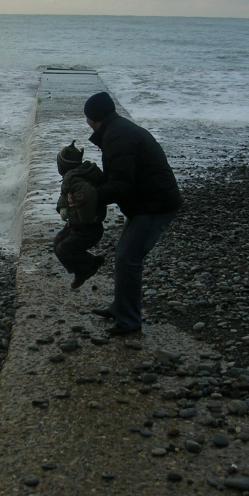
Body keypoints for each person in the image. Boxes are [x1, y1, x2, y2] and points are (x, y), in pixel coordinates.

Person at [80, 91, 182, 336]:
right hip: (147, 202)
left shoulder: (117, 137)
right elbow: (122, 178)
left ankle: (129, 321)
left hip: (155, 205)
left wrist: (89, 195)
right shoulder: (119, 129)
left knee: (128, 259)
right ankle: (120, 308)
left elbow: (121, 186)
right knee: (124, 256)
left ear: (91, 119)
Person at [53, 140, 107, 290]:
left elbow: (88, 196)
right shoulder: (72, 179)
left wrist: (83, 217)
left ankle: (83, 271)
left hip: (88, 229)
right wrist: (62, 207)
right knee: (56, 243)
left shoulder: (77, 180)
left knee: (63, 249)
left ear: (63, 166)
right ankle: (91, 263)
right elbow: (64, 195)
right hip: (76, 225)